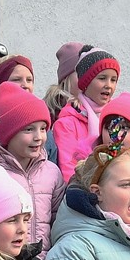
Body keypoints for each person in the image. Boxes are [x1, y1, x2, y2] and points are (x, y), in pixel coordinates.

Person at [0, 81, 65, 251]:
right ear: (8, 133)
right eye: (29, 129)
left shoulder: (52, 173)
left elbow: (60, 222)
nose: (39, 137)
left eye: (43, 129)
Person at [51, 46, 119, 181]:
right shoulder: (67, 123)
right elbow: (69, 171)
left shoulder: (117, 116)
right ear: (86, 82)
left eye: (113, 80)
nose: (109, 85)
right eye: (102, 78)